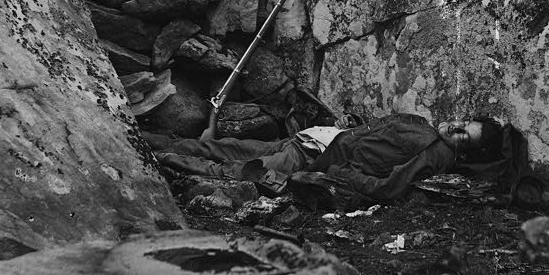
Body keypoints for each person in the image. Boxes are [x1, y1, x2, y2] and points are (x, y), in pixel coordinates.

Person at [154, 112, 506, 205]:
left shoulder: (436, 151)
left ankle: (156, 158)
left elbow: (389, 188)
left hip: (310, 160)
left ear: (463, 150)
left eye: (464, 136)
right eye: (464, 123)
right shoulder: (427, 128)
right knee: (225, 145)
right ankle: (143, 139)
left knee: (227, 169)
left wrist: (343, 173)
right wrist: (352, 125)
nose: (457, 127)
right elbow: (377, 139)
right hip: (312, 140)